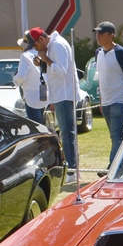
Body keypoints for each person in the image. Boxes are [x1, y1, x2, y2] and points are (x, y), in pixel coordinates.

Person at [31, 26, 80, 182]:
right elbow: (54, 72)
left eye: (36, 46)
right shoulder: (52, 46)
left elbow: (62, 70)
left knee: (67, 134)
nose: (36, 49)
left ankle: (72, 171)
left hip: (65, 95)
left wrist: (45, 59)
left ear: (41, 39)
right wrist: (43, 63)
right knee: (66, 133)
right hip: (60, 95)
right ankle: (72, 168)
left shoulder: (58, 45)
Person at [92, 21, 123, 165]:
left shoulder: (120, 53)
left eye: (101, 33)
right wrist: (101, 101)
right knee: (116, 135)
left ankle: (112, 166)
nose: (98, 36)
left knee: (116, 136)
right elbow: (101, 78)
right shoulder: (98, 53)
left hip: (119, 99)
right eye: (97, 33)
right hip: (106, 101)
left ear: (111, 35)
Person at [13, 31, 48, 126]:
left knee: (36, 127)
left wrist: (15, 81)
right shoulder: (44, 53)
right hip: (45, 95)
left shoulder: (25, 56)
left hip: (31, 97)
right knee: (44, 125)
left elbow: (21, 76)